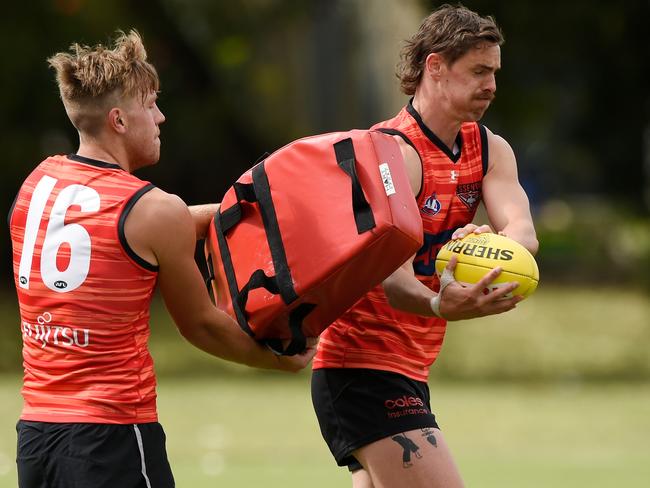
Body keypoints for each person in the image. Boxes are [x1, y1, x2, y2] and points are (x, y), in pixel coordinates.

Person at [8, 30, 316, 488]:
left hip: (36, 438)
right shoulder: (152, 208)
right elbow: (202, 325)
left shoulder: (38, 185)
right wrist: (279, 361)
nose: (161, 117)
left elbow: (122, 232)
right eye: (150, 104)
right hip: (111, 438)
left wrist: (240, 210)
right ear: (118, 120)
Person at [311, 4, 538, 488]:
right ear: (434, 66)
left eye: (495, 72)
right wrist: (441, 304)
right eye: (479, 71)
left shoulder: (489, 149)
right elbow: (393, 284)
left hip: (408, 366)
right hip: (361, 365)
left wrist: (490, 243)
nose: (492, 85)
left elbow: (523, 232)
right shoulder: (389, 154)